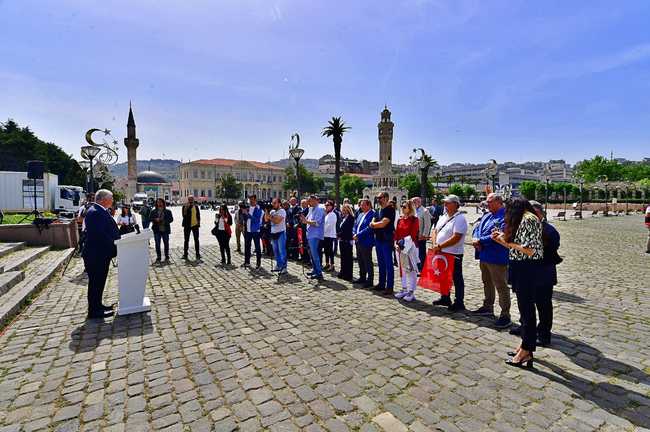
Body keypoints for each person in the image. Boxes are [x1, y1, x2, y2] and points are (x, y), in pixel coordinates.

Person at [492, 197, 544, 368]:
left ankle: (527, 351)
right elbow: (517, 246)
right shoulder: (524, 218)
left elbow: (528, 250)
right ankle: (524, 345)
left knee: (527, 309)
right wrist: (501, 239)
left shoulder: (529, 219)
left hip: (527, 268)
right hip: (519, 266)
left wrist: (507, 241)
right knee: (524, 309)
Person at [515, 200, 562, 347]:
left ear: (540, 214)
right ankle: (526, 328)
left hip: (542, 275)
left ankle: (543, 334)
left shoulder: (549, 231)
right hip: (524, 273)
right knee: (524, 304)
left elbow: (547, 252)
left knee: (543, 306)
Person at [470, 193, 512, 328]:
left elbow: (498, 235)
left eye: (490, 202)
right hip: (484, 254)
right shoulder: (487, 215)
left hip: (497, 256)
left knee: (501, 286)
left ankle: (505, 314)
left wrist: (480, 240)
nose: (486, 204)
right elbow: (477, 228)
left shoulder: (505, 216)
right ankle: (488, 306)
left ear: (499, 202)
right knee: (487, 282)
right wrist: (476, 238)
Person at [81, 189, 120, 319]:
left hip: (100, 254)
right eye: (111, 198)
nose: (113, 200)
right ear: (103, 199)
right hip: (96, 255)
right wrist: (114, 244)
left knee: (100, 282)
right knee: (95, 283)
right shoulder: (95, 212)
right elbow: (99, 234)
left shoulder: (99, 210)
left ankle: (98, 305)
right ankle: (93, 311)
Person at [430, 194, 468, 312]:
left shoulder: (460, 218)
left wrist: (440, 246)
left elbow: (456, 237)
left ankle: (459, 301)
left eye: (448, 203)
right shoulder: (443, 216)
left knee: (456, 278)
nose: (445, 205)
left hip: (453, 252)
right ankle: (445, 297)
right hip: (441, 251)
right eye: (444, 203)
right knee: (443, 276)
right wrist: (435, 244)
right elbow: (435, 230)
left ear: (455, 204)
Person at [370, 192, 396, 296]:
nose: (378, 200)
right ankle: (381, 283)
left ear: (386, 198)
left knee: (388, 264)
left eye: (380, 198)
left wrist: (373, 225)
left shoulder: (390, 210)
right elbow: (373, 219)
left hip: (386, 240)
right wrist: (374, 224)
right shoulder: (378, 210)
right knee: (381, 263)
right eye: (377, 198)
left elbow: (383, 224)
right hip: (378, 240)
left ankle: (389, 287)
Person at [394, 199, 420, 302]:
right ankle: (404, 288)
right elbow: (396, 233)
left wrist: (401, 245)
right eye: (402, 206)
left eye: (404, 206)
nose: (402, 208)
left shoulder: (414, 220)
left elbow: (413, 235)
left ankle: (411, 291)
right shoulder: (400, 220)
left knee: (410, 270)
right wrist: (396, 244)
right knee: (402, 269)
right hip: (399, 248)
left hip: (409, 248)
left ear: (410, 208)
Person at [300, 195, 325, 280]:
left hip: (315, 235)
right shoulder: (311, 209)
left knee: (315, 255)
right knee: (311, 254)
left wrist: (306, 221)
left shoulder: (320, 208)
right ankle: (315, 270)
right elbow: (307, 220)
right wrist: (304, 219)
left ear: (315, 200)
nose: (308, 203)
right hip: (310, 234)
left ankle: (319, 273)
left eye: (309, 201)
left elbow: (317, 223)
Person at [353, 199, 375, 288]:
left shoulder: (372, 214)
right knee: (360, 260)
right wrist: (354, 233)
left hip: (366, 241)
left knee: (367, 261)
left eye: (363, 205)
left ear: (368, 205)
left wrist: (358, 235)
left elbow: (369, 228)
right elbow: (355, 225)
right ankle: (362, 277)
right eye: (361, 205)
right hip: (358, 240)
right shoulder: (360, 214)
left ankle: (369, 280)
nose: (361, 207)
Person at [267, 197, 288, 274]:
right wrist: (266, 211)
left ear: (279, 203)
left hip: (281, 233)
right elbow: (266, 219)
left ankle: (284, 267)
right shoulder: (272, 211)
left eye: (275, 203)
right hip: (273, 233)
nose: (273, 204)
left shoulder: (282, 211)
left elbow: (277, 221)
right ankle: (279, 265)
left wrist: (270, 217)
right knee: (275, 251)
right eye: (273, 203)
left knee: (282, 251)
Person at [243, 194, 263, 269]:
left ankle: (258, 263)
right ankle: (247, 261)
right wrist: (244, 214)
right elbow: (245, 218)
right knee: (247, 246)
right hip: (248, 230)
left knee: (257, 247)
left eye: (252, 199)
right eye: (250, 199)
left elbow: (256, 220)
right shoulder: (248, 207)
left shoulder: (258, 208)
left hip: (255, 231)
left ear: (255, 200)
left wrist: (248, 214)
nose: (250, 201)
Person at [151, 198, 173, 263]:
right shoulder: (153, 211)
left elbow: (171, 219)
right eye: (158, 202)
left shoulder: (168, 211)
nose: (159, 203)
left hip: (165, 230)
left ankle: (166, 256)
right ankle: (158, 256)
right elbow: (150, 219)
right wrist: (155, 219)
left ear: (163, 203)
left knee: (166, 243)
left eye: (160, 202)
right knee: (157, 244)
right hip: (156, 230)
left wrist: (164, 221)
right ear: (156, 203)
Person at [413, 197, 432, 273]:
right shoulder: (414, 210)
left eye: (415, 202)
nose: (414, 203)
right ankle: (417, 266)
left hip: (421, 236)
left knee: (421, 252)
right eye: (413, 202)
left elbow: (428, 224)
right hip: (414, 235)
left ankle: (422, 268)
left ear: (419, 202)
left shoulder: (425, 211)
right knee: (415, 252)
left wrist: (424, 235)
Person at [337, 203, 355, 281]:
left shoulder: (351, 218)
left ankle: (348, 274)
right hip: (342, 240)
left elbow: (347, 230)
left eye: (345, 210)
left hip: (347, 240)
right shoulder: (343, 218)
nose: (343, 211)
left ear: (348, 210)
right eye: (342, 210)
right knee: (343, 258)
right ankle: (343, 272)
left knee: (348, 258)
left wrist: (339, 234)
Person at [181, 195, 201, 260]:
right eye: (189, 199)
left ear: (193, 199)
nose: (190, 200)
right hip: (187, 225)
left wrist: (198, 223)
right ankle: (185, 254)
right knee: (186, 240)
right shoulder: (185, 206)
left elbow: (198, 215)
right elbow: (184, 215)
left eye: (191, 199)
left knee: (196, 240)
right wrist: (187, 208)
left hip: (195, 225)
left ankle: (197, 254)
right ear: (188, 199)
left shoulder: (196, 206)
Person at [322, 200, 338, 272]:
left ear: (331, 206)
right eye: (325, 205)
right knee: (326, 250)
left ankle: (332, 265)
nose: (326, 206)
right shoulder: (327, 214)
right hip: (325, 235)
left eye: (327, 205)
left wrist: (322, 230)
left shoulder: (333, 214)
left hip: (330, 235)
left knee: (330, 251)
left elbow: (329, 225)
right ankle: (327, 263)